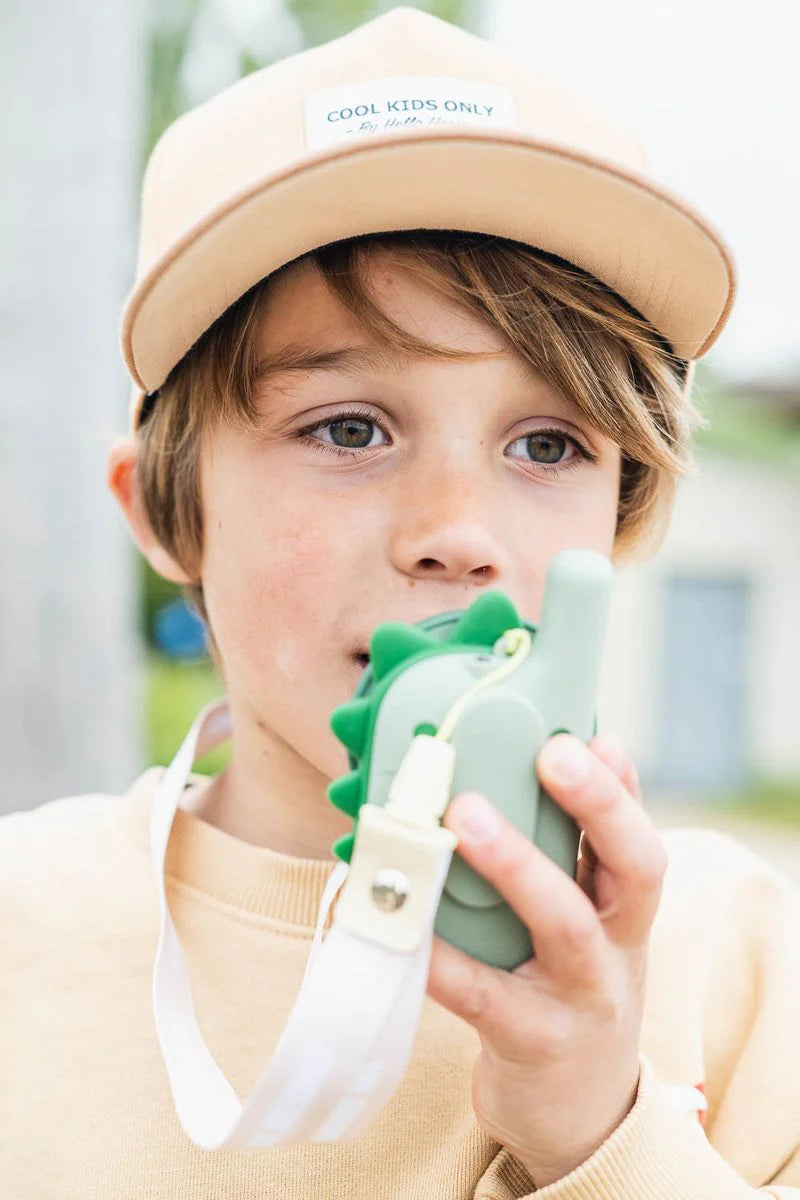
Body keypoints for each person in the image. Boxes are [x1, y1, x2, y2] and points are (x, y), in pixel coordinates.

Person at [2, 7, 799, 1197]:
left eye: (545, 445)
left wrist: (601, 1132)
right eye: (348, 430)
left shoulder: (736, 962)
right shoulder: (24, 929)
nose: (455, 533)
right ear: (168, 514)